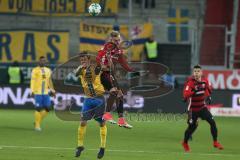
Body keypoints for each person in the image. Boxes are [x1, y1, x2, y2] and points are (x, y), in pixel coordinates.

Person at [181, 65, 223, 152]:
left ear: (201, 72)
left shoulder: (205, 81)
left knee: (212, 122)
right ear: (193, 73)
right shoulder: (190, 83)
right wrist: (193, 91)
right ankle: (185, 142)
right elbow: (185, 95)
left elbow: (208, 89)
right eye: (195, 71)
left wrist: (208, 97)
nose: (196, 73)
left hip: (202, 107)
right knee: (192, 127)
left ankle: (215, 142)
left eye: (198, 71)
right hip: (192, 110)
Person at [96, 30, 134, 129]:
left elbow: (124, 63)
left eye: (118, 40)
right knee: (115, 92)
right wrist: (101, 65)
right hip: (104, 74)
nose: (117, 42)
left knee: (120, 95)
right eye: (116, 40)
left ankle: (121, 120)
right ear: (111, 39)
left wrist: (133, 71)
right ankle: (107, 114)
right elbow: (98, 57)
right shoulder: (106, 47)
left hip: (111, 75)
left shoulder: (118, 50)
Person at [74, 52, 107, 159]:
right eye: (81, 60)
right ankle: (80, 146)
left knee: (102, 123)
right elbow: (75, 73)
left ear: (89, 59)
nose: (82, 61)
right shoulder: (80, 70)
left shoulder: (95, 68)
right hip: (88, 99)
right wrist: (81, 67)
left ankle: (102, 147)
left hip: (99, 99)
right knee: (83, 122)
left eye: (84, 59)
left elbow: (103, 68)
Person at [30, 56, 56, 131]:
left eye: (44, 61)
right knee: (38, 108)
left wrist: (53, 90)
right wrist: (31, 91)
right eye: (41, 60)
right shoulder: (35, 70)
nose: (43, 62)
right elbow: (33, 81)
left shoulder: (48, 70)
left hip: (45, 92)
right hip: (37, 92)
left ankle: (37, 122)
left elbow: (50, 81)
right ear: (39, 61)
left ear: (46, 62)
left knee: (48, 108)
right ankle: (37, 126)